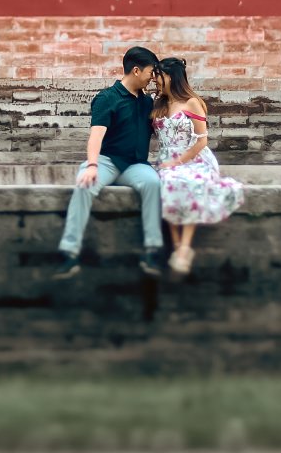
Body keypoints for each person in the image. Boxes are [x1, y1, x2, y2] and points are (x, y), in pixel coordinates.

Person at [54, 45, 164, 278]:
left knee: (153, 183)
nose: (152, 78)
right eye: (150, 72)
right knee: (84, 183)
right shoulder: (107, 98)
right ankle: (69, 253)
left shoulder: (147, 102)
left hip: (135, 165)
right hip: (107, 161)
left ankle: (152, 251)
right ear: (136, 70)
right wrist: (92, 165)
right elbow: (96, 136)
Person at [150, 56, 243, 277]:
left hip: (194, 157)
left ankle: (185, 247)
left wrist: (178, 161)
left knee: (191, 182)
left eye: (159, 77)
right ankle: (177, 246)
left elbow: (202, 140)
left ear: (171, 77)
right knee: (168, 183)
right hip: (166, 157)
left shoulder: (192, 102)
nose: (155, 81)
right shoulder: (159, 103)